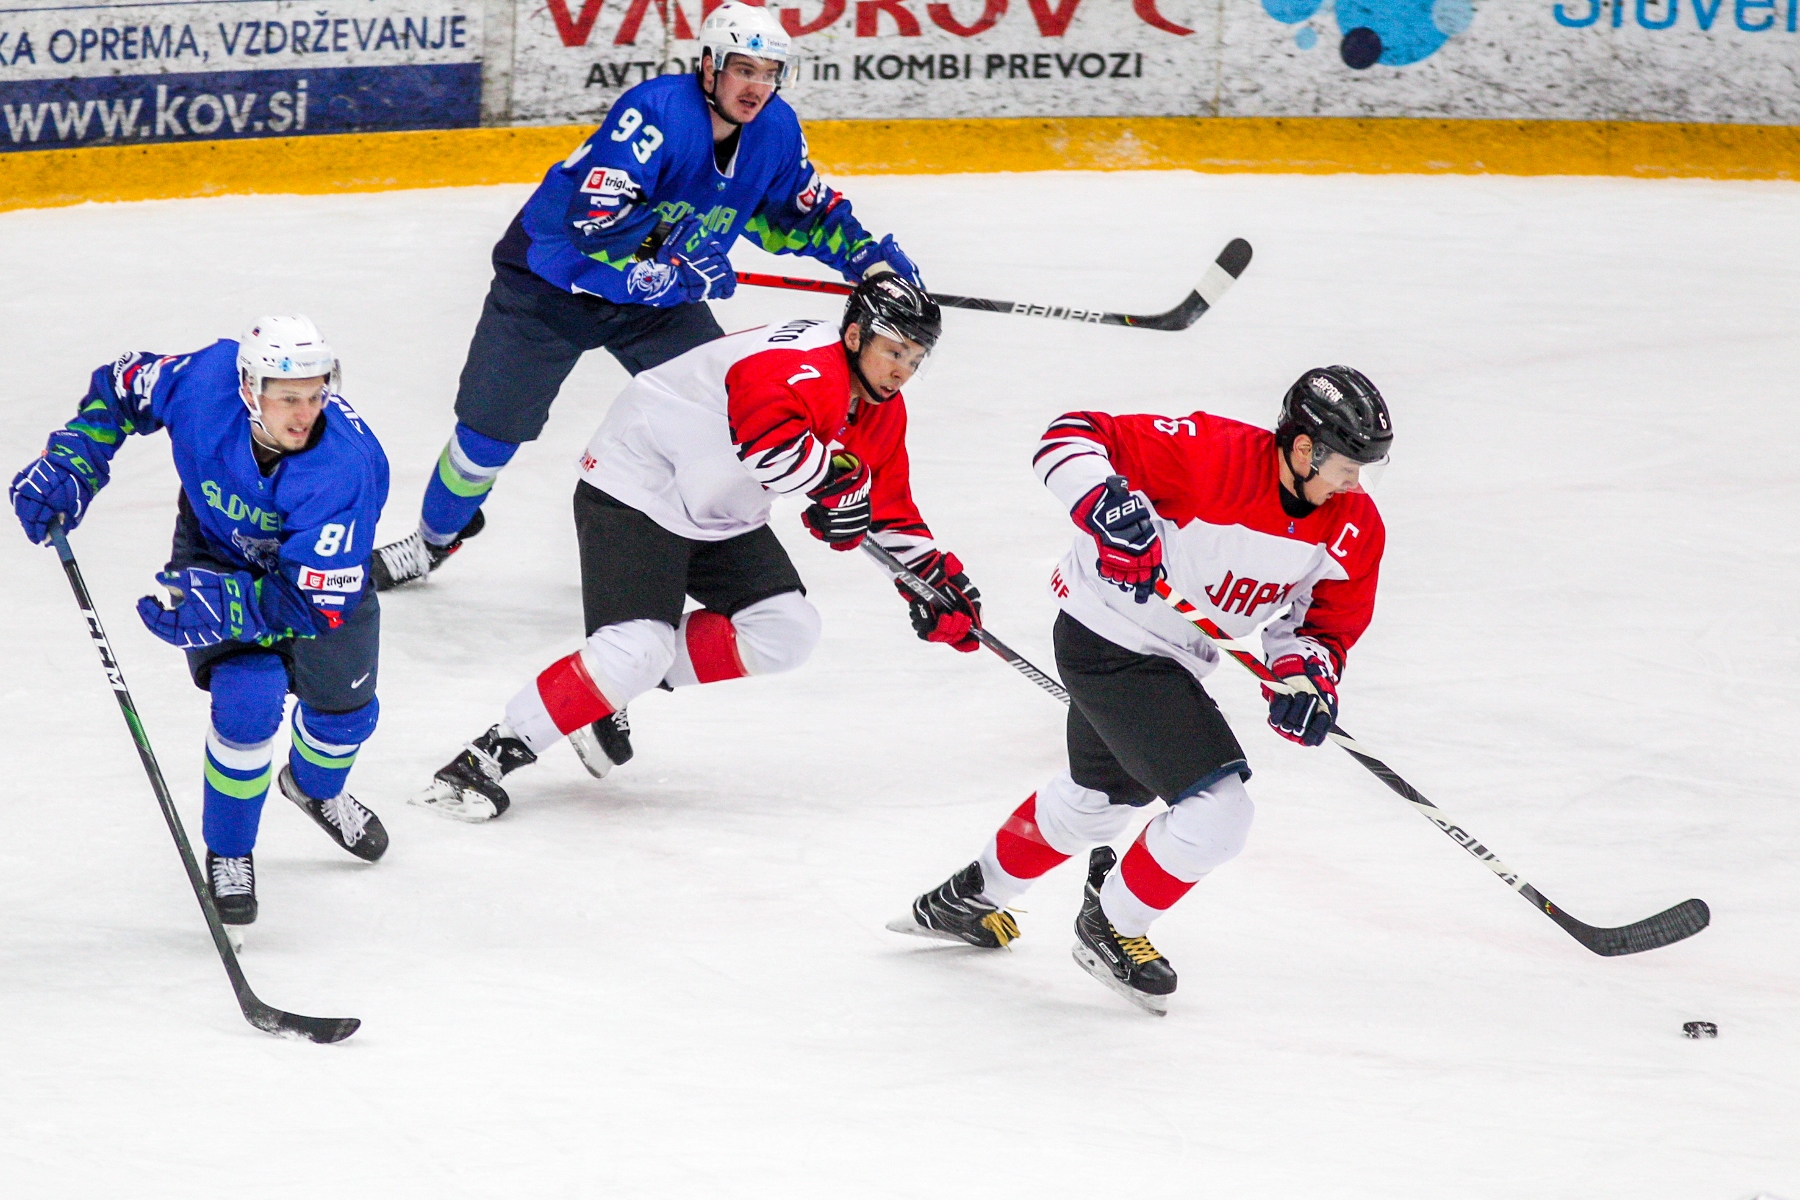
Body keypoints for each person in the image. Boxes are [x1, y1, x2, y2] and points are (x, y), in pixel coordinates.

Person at [369, 0, 925, 595]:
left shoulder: (776, 131)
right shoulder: (655, 114)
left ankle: (695, 546)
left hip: (657, 305)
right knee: (488, 434)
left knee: (732, 412)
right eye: (744, 69)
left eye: (769, 74)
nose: (756, 87)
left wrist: (868, 263)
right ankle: (432, 541)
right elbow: (596, 221)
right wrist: (673, 255)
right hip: (550, 284)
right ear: (709, 66)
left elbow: (800, 214)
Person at [888, 367, 1393, 1014]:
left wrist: (1303, 677)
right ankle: (1111, 925)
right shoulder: (1211, 455)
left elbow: (1318, 626)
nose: (1355, 483)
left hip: (1174, 659)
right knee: (1219, 813)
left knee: (1096, 800)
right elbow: (1069, 436)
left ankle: (969, 897)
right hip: (1106, 638)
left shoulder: (1354, 526)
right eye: (1347, 467)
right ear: (1303, 449)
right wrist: (1106, 506)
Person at [412, 275, 981, 820]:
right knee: (636, 649)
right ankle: (483, 760)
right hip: (638, 488)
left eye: (915, 359)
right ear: (855, 335)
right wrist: (832, 483)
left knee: (786, 632)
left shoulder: (877, 408)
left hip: (719, 511)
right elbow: (768, 446)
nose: (902, 370)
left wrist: (932, 583)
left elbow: (885, 503)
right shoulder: (802, 363)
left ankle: (601, 695)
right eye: (894, 351)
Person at [9, 317, 392, 938]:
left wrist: (232, 607)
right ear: (248, 390)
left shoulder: (345, 468)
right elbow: (123, 387)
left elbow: (318, 603)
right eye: (288, 398)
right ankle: (231, 850)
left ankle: (316, 789)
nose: (305, 414)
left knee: (343, 716)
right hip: (219, 554)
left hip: (317, 585)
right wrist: (76, 456)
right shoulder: (204, 381)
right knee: (247, 699)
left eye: (315, 395)